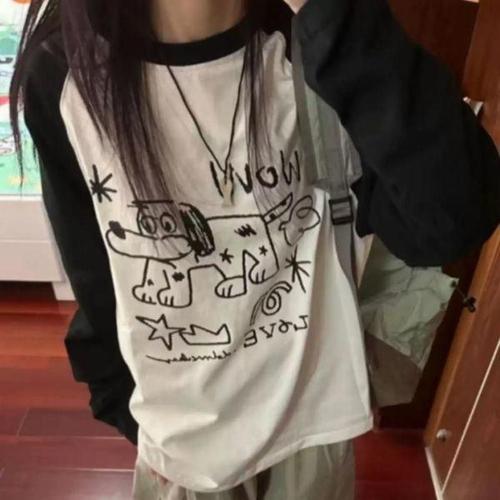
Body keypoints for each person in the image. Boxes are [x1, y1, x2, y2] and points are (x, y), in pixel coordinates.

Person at [11, 0, 499, 499]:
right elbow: (97, 272)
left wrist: (336, 21)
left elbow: (451, 222)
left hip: (314, 419)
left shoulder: (322, 39)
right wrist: (131, 414)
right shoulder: (64, 69)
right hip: (182, 440)